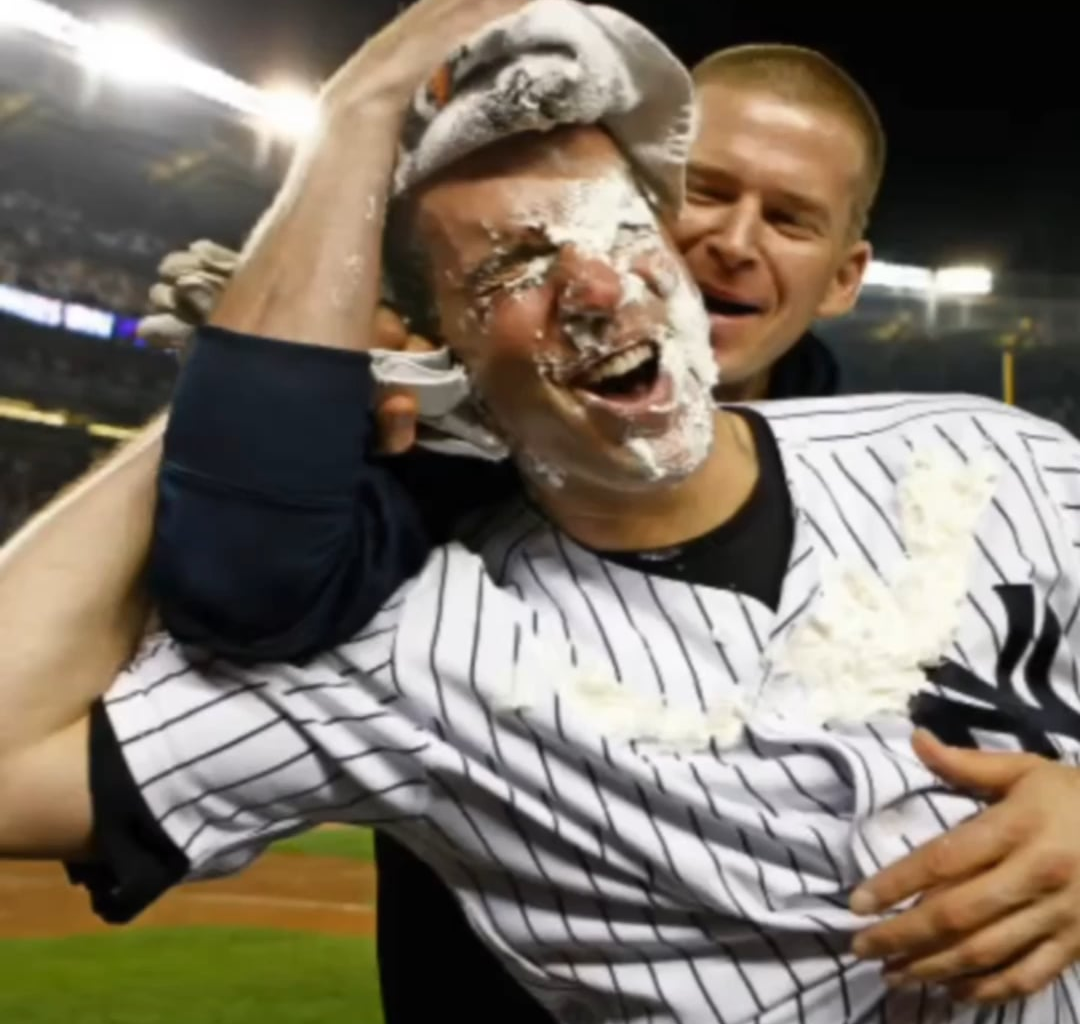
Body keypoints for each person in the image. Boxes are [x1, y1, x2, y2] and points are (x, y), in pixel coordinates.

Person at [4, 4, 1080, 1021]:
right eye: (522, 260)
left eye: (788, 217)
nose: (607, 284)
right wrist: (246, 370)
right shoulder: (414, 625)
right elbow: (231, 579)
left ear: (845, 273)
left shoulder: (991, 455)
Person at [140, 37, 883, 1023]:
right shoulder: (441, 457)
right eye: (702, 192)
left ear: (844, 276)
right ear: (630, 197)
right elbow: (232, 599)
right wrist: (265, 395)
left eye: (789, 219)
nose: (736, 242)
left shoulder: (919, 492)